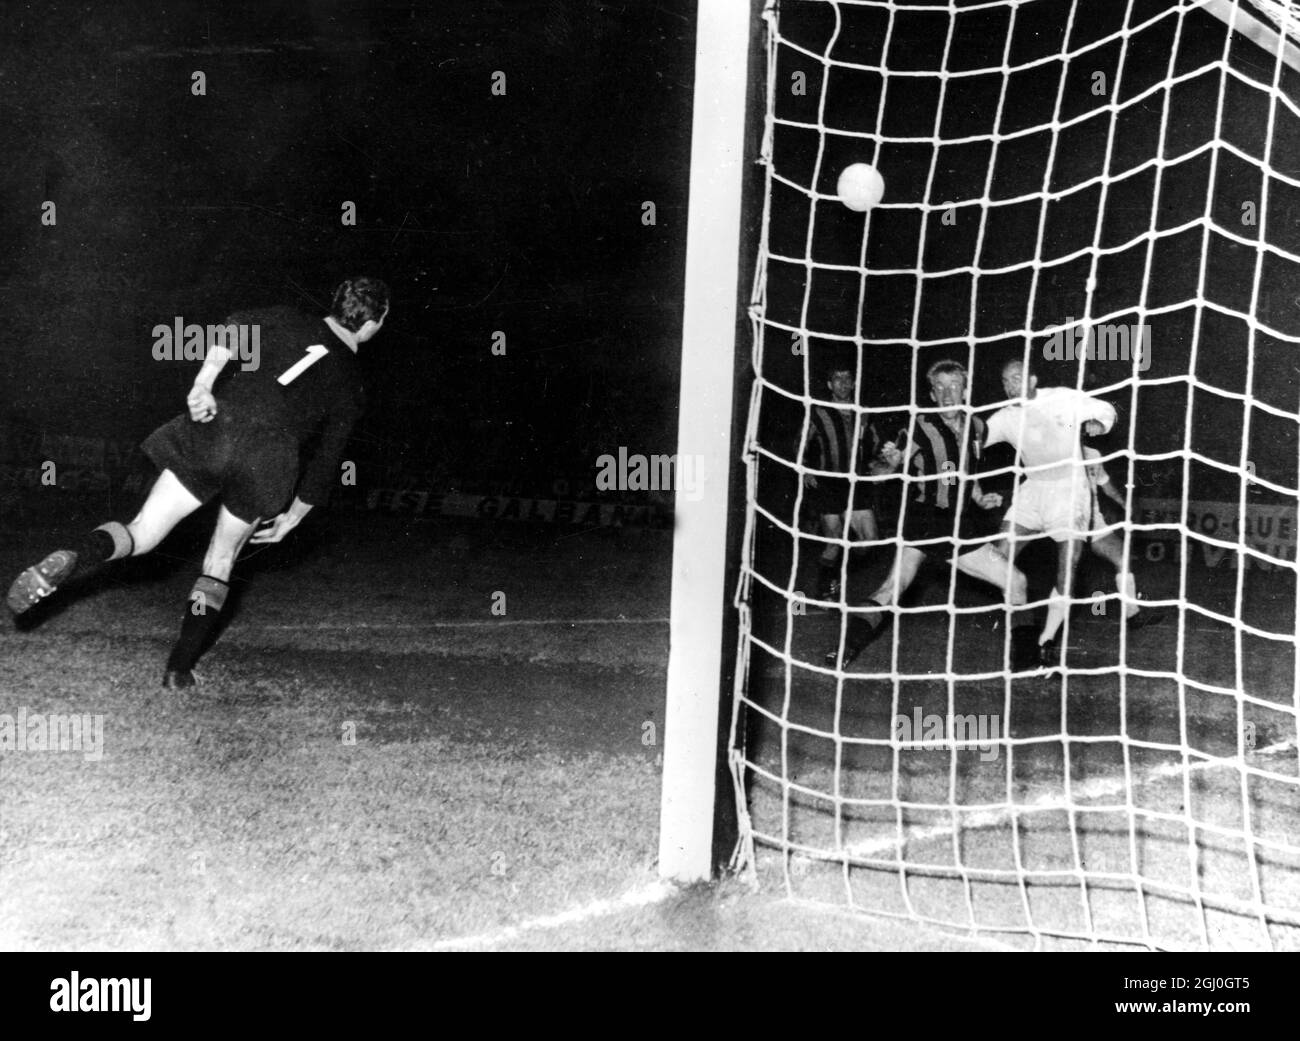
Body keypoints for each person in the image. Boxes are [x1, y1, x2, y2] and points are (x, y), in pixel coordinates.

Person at [6, 276, 391, 688]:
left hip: (216, 426)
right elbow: (327, 460)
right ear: (372, 323)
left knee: (142, 532)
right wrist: (294, 516)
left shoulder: (285, 318)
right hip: (269, 458)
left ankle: (73, 556)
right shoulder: (352, 383)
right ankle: (179, 669)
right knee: (220, 561)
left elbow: (229, 329)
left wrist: (203, 384)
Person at [825, 359, 1040, 672]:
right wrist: (888, 460)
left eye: (953, 385)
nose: (947, 392)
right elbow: (884, 468)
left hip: (959, 525)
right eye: (939, 387)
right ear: (931, 393)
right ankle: (842, 650)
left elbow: (966, 471)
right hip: (926, 522)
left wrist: (979, 497)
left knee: (1016, 581)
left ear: (965, 391)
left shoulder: (978, 427)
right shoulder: (918, 427)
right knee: (891, 589)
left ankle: (1025, 664)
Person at [984, 357, 1163, 670]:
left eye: (1018, 377)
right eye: (1006, 381)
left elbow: (1107, 411)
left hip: (1071, 493)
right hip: (1034, 490)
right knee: (996, 560)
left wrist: (1101, 423)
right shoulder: (1004, 418)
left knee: (1071, 565)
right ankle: (1023, 629)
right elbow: (976, 436)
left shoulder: (1063, 398)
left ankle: (1046, 642)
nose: (1012, 385)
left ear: (1033, 379)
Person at [801, 361, 884, 601]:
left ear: (854, 382)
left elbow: (875, 444)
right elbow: (800, 445)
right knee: (834, 540)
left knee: (870, 541)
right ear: (829, 384)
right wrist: (806, 469)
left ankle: (836, 571)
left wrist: (882, 460)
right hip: (828, 483)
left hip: (857, 484)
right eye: (837, 378)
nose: (843, 383)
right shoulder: (818, 411)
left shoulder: (863, 412)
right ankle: (826, 590)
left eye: (847, 378)